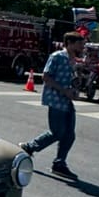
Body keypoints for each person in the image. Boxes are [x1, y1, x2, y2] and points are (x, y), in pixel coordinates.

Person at [19, 31, 85, 179]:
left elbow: (72, 80)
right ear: (70, 43)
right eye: (80, 44)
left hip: (66, 101)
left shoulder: (74, 61)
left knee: (69, 134)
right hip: (55, 99)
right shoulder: (57, 57)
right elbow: (46, 76)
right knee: (57, 132)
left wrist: (76, 85)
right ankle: (29, 147)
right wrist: (64, 90)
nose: (83, 47)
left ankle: (59, 163)